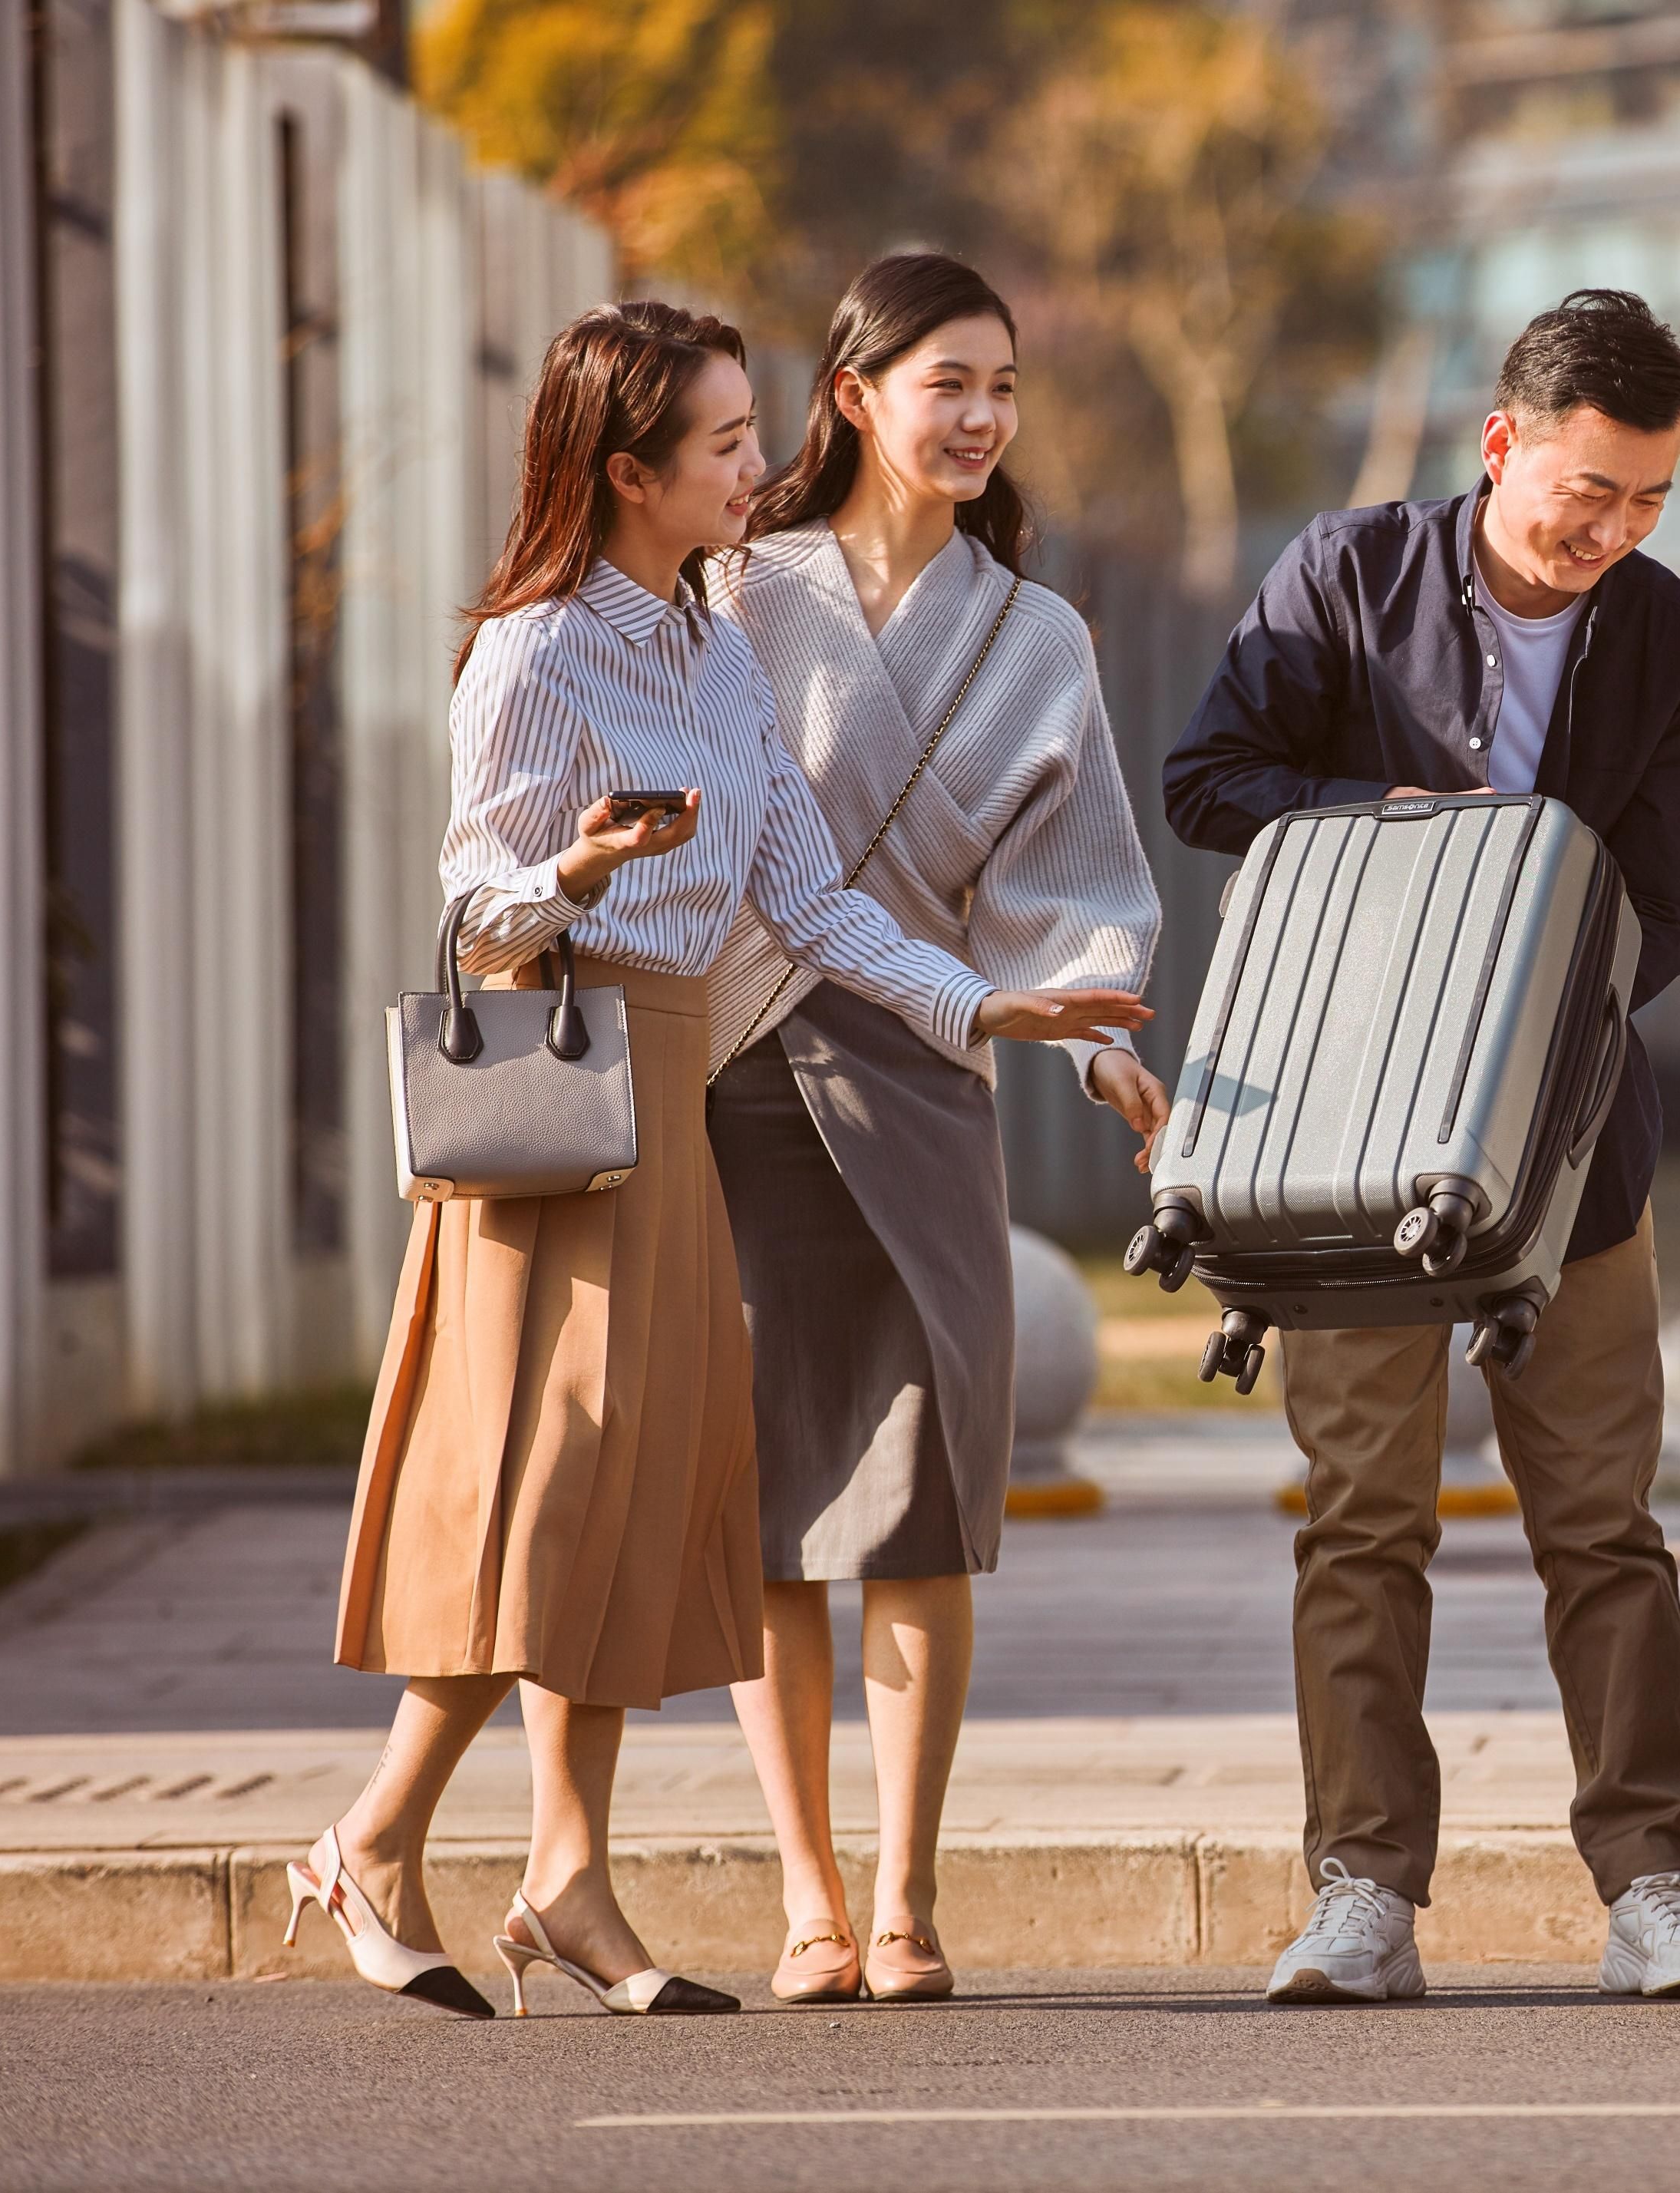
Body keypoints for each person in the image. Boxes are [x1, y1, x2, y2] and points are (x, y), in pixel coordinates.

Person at [307, 300, 1136, 2020]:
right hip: (562, 1096)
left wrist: (994, 1013)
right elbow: (474, 906)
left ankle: (566, 1877)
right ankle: (378, 1839)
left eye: (757, 435)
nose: (760, 471)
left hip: (672, 1103)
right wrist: (586, 871)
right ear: (629, 472)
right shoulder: (532, 650)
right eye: (725, 446)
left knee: (626, 1507)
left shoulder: (718, 650)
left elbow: (817, 901)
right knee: (548, 1501)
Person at [1165, 288, 1680, 2004]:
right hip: (1343, 1129)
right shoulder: (1343, 579)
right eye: (1589, 489)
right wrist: (1402, 840)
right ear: (1500, 445)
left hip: (1571, 1145)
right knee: (1359, 1518)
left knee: (1605, 1522)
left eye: (1648, 501)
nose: (1612, 533)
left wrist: (1524, 995)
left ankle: (1651, 1881)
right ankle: (1362, 1893)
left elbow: (1667, 911)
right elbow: (1212, 779)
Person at [711, 253, 1165, 2006]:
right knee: (770, 1508)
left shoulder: (1035, 634)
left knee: (914, 1497)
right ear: (850, 396)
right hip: (741, 1073)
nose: (979, 417)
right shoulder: (736, 594)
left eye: (1001, 386)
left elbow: (1075, 892)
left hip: (927, 1082)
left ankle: (905, 1898)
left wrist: (1100, 1045)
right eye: (944, 382)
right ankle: (807, 1900)